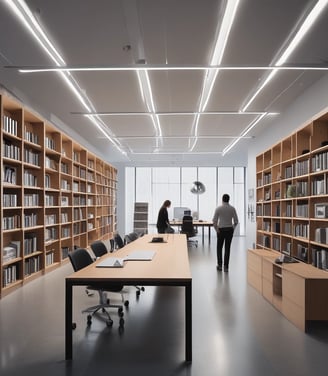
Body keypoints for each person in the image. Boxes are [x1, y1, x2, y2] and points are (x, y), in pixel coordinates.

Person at [212, 194, 239, 272]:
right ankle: (226, 267)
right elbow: (236, 221)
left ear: (222, 199)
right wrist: (232, 228)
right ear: (228, 199)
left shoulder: (218, 209)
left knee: (219, 248)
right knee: (227, 248)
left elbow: (214, 221)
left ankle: (220, 265)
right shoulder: (232, 209)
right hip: (229, 230)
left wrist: (216, 229)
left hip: (221, 230)